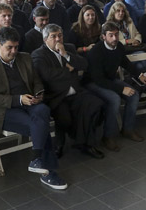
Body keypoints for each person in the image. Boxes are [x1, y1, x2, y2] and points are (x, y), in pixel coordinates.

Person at [0, 27, 68, 190]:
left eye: (16, 47)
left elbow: (36, 81)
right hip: (3, 111)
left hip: (29, 102)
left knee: (43, 111)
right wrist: (19, 99)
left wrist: (39, 94)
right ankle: (49, 173)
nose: (14, 51)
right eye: (9, 48)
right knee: (40, 125)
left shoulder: (24, 58)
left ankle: (37, 159)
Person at [31, 24, 107, 159]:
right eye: (53, 36)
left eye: (60, 35)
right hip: (56, 96)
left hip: (75, 91)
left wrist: (65, 55)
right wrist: (69, 70)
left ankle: (86, 144)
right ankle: (62, 143)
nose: (57, 39)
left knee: (96, 105)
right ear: (45, 40)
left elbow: (84, 65)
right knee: (65, 118)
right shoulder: (39, 54)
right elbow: (47, 75)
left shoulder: (69, 48)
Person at [85, 21, 146, 149]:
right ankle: (108, 136)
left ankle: (127, 129)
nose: (114, 38)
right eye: (110, 35)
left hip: (108, 80)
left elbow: (125, 63)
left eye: (116, 34)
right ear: (103, 36)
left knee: (134, 95)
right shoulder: (96, 51)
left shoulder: (118, 46)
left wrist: (139, 74)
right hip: (92, 82)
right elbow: (98, 79)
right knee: (114, 99)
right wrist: (121, 88)